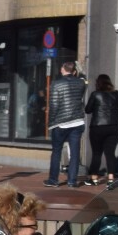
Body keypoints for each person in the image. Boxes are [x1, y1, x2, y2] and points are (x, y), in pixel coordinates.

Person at [45, 60, 88, 188]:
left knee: (56, 151)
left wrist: (51, 123)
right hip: (77, 122)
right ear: (74, 71)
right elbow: (84, 78)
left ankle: (53, 180)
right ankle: (72, 181)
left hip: (61, 123)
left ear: (62, 70)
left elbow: (54, 105)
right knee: (75, 153)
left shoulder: (56, 84)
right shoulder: (81, 83)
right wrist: (78, 70)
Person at [84, 74, 118, 186]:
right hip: (115, 126)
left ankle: (94, 178)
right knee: (110, 153)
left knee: (97, 153)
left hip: (98, 126)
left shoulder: (95, 94)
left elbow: (88, 110)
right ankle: (111, 179)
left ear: (98, 83)